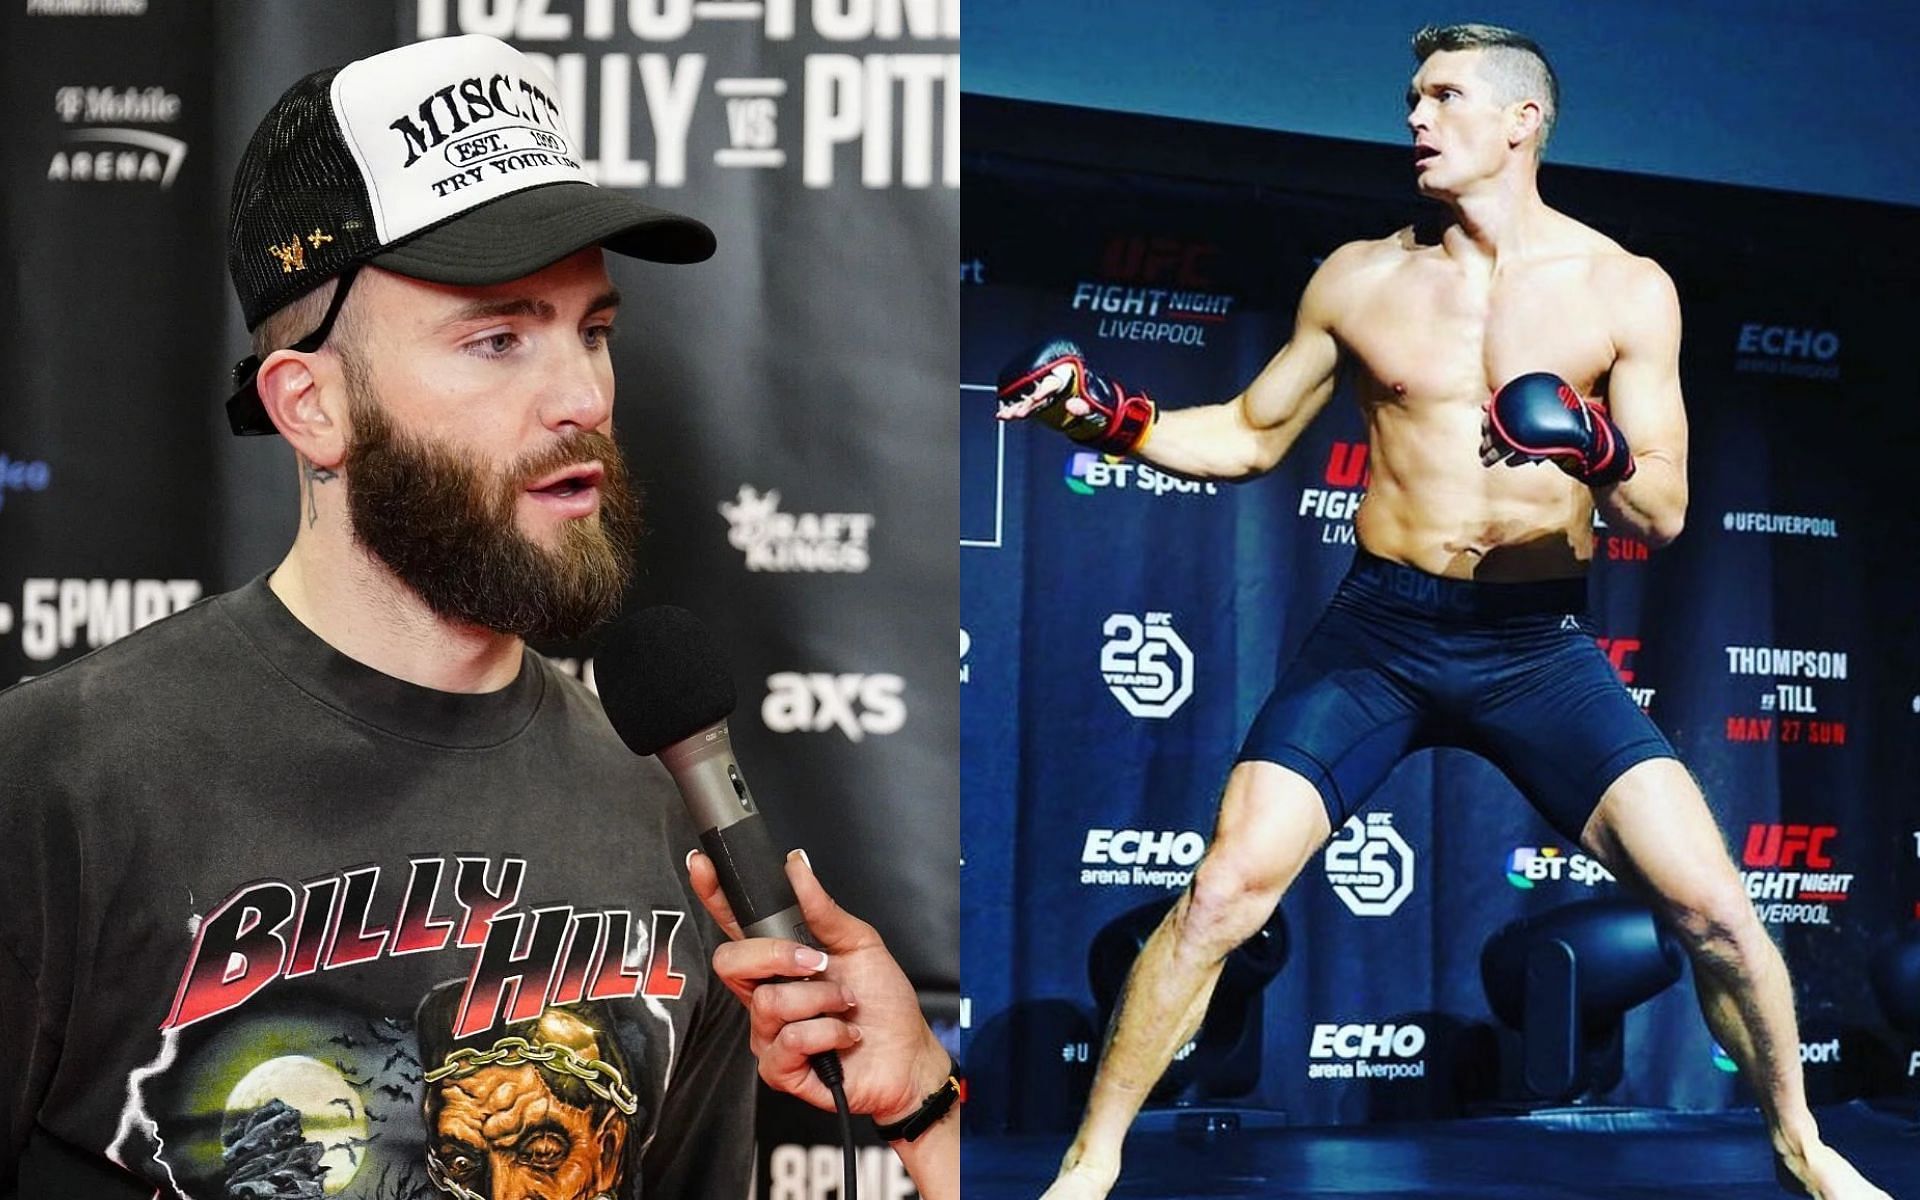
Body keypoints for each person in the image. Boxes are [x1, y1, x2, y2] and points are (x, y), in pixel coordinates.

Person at [0, 33, 941, 1200]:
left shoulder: (660, 809)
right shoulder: (54, 783)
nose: (583, 397)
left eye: (591, 330)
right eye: (498, 338)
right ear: (314, 405)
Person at [997, 24, 1887, 1200]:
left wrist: (1593, 444)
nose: (1415, 119)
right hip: (1382, 634)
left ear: (1522, 122)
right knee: (1219, 893)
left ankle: (1803, 1146)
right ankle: (1089, 1162)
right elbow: (1251, 436)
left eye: (1444, 97)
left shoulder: (1624, 288)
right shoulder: (1360, 278)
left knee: (1718, 906)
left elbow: (1662, 509)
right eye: (1412, 98)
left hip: (1534, 647)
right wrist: (1109, 419)